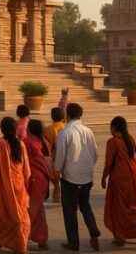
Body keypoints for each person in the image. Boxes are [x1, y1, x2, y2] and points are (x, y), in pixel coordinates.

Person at [54, 103, 101, 251]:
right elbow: (95, 154)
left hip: (70, 178)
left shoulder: (65, 132)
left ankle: (73, 242)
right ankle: (94, 233)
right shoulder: (88, 131)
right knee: (85, 206)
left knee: (70, 210)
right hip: (87, 177)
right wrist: (86, 168)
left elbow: (60, 157)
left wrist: (57, 170)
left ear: (68, 115)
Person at [102, 116, 136, 248]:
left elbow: (109, 163)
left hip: (119, 180)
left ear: (114, 128)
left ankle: (120, 236)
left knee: (120, 209)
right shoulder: (130, 139)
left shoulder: (112, 142)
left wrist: (103, 178)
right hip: (134, 178)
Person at [0, 117, 31, 252]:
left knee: (3, 214)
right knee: (19, 214)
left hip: (2, 186)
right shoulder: (20, 144)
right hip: (19, 185)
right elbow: (26, 169)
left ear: (2, 129)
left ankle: (19, 245)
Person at [25, 119, 53, 250]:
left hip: (33, 180)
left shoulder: (27, 142)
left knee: (31, 211)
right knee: (39, 210)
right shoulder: (45, 141)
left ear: (29, 130)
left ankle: (23, 239)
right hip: (43, 179)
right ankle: (42, 239)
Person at [44, 107, 66, 203]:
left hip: (53, 154)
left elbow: (46, 143)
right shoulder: (65, 127)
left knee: (55, 176)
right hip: (65, 153)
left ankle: (56, 192)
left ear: (52, 117)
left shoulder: (48, 128)